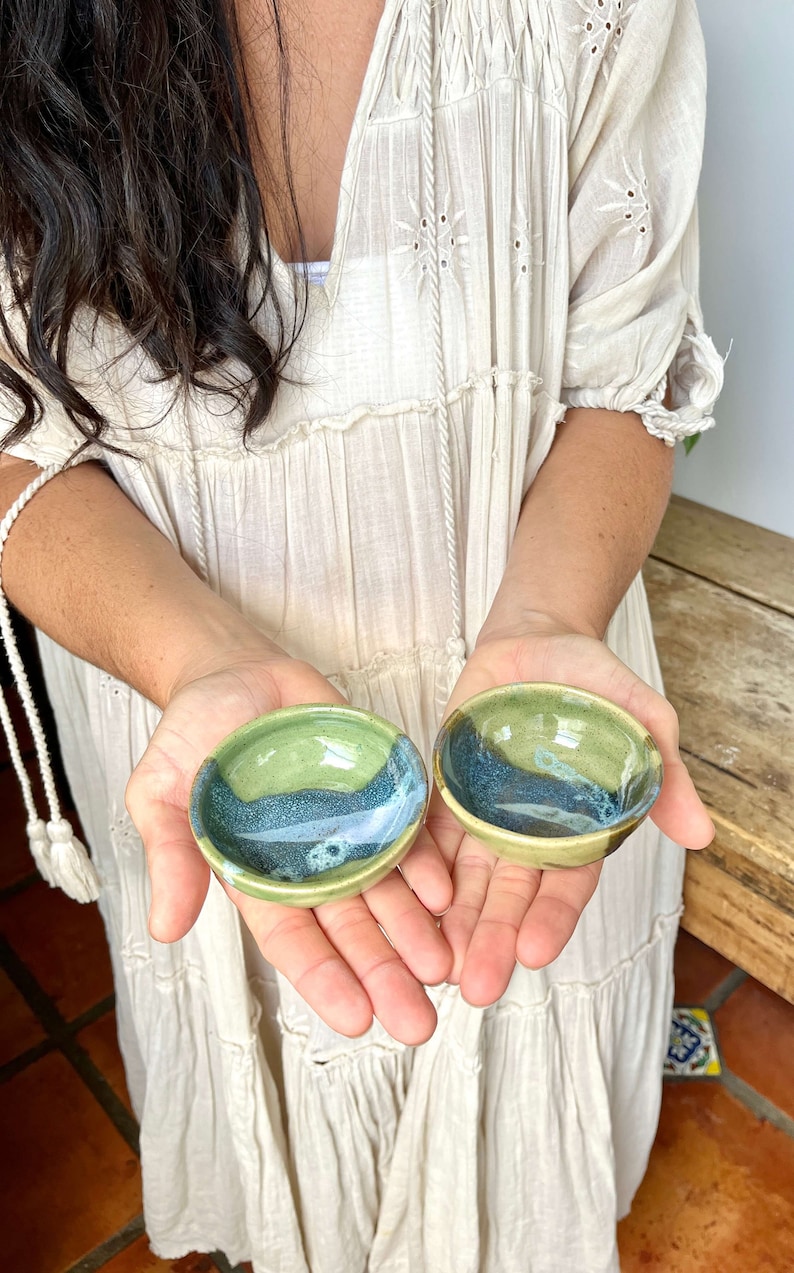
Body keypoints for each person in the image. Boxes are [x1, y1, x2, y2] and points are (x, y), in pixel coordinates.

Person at [0, 0, 723, 1269]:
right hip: (194, 744)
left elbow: (622, 388)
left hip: (524, 798)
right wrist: (195, 660)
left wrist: (548, 613)